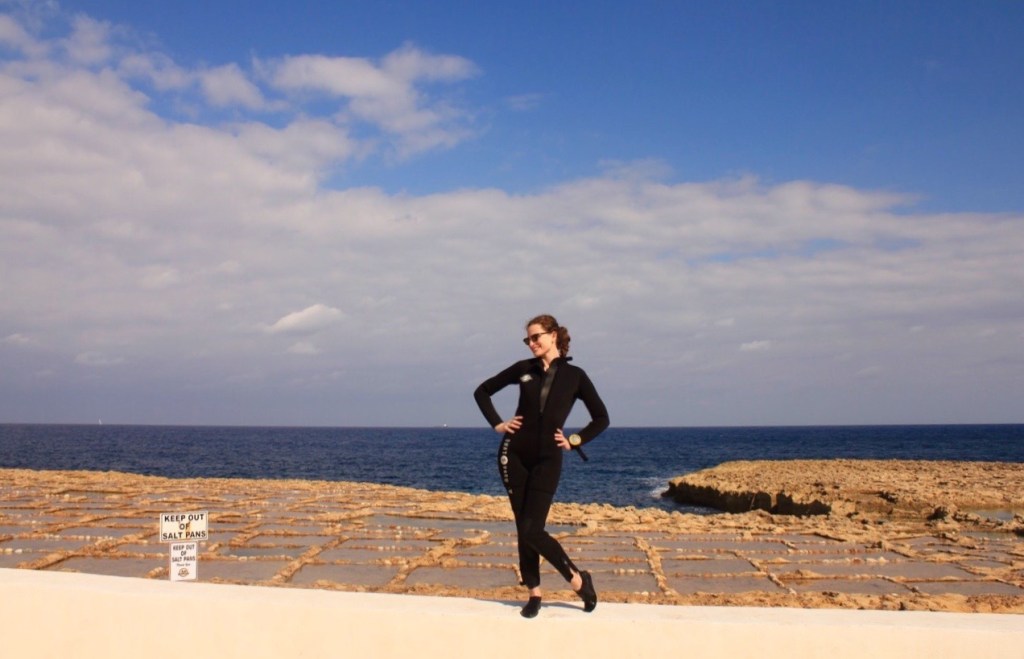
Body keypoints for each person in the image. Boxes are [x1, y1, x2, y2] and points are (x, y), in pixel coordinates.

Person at [473, 314, 610, 618]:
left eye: (536, 337)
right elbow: (482, 391)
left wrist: (575, 440)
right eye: (528, 339)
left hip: (548, 458)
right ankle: (534, 593)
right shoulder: (524, 368)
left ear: (554, 335)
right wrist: (498, 424)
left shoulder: (575, 376)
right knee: (523, 526)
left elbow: (602, 418)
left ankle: (577, 579)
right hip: (513, 456)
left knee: (532, 528)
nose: (531, 343)